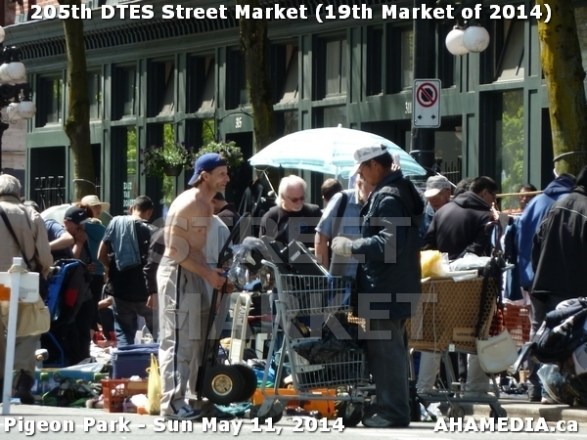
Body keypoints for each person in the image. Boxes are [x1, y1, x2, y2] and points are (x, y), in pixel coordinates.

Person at [331, 144, 424, 428]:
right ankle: (394, 408)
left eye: (362, 169)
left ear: (374, 165)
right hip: (395, 284)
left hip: (385, 287)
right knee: (391, 351)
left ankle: (392, 412)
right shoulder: (399, 191)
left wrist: (352, 246)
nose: (359, 175)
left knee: (386, 353)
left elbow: (388, 244)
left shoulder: (388, 196)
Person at [158, 153, 230, 420]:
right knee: (180, 340)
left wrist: (215, 274)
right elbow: (174, 251)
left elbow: (196, 249)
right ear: (204, 176)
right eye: (221, 174)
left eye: (226, 173)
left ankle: (196, 400)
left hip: (194, 272)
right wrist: (209, 275)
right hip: (177, 272)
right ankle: (172, 405)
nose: (227, 178)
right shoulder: (190, 203)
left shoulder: (207, 205)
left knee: (202, 340)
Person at [422, 176, 499, 395]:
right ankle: (476, 389)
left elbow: (426, 247)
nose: (494, 201)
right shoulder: (485, 216)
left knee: (434, 336)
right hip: (474, 289)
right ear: (484, 193)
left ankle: (424, 387)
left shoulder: (442, 213)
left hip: (441, 286)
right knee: (478, 334)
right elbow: (479, 250)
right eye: (493, 196)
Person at [530, 168, 587, 403]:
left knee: (551, 336)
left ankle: (545, 390)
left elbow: (537, 241)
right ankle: (563, 389)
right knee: (573, 340)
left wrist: (538, 273)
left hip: (548, 283)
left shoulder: (555, 206)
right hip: (576, 287)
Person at [0, 174, 53, 404]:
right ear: (18, 192)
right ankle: (22, 379)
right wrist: (45, 270)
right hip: (22, 281)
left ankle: (1, 381)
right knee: (28, 330)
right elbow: (45, 257)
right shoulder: (30, 214)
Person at [98, 195, 157, 347]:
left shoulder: (116, 223)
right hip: (146, 292)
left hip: (120, 290)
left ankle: (126, 359)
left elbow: (100, 255)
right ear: (149, 212)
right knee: (158, 333)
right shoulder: (154, 232)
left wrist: (111, 268)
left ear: (131, 209)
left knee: (124, 332)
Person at [314, 174, 373, 276]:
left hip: (370, 279)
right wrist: (324, 275)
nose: (373, 193)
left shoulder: (379, 203)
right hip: (340, 279)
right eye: (371, 186)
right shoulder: (342, 199)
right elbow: (321, 235)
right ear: (359, 184)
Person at [259, 175, 322, 249]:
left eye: (302, 198)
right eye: (294, 200)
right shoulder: (271, 217)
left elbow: (324, 241)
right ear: (283, 197)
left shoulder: (314, 212)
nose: (299, 202)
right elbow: (264, 248)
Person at [419, 175, 453, 241]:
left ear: (448, 193)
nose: (433, 200)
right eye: (430, 196)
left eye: (437, 195)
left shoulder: (458, 213)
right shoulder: (422, 217)